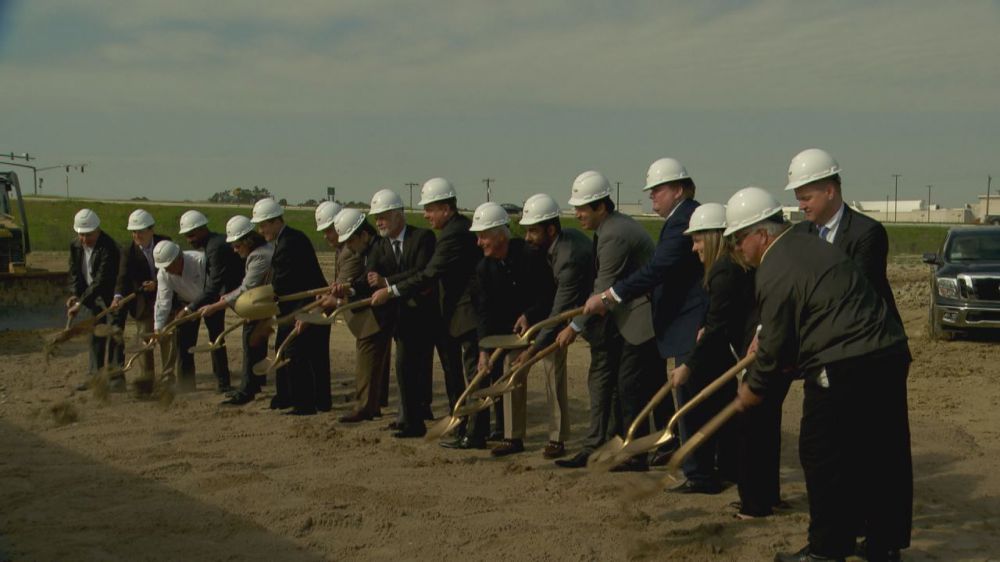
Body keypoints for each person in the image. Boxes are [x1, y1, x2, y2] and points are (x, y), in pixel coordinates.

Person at [726, 187, 912, 562]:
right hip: (886, 352)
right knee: (878, 453)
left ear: (762, 235)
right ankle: (882, 544)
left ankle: (827, 551)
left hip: (847, 361)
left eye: (738, 239)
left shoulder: (774, 268)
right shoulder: (808, 245)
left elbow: (776, 344)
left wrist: (754, 388)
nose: (737, 249)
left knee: (822, 454)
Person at [584, 158, 708, 472]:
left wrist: (610, 295)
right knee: (677, 393)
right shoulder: (680, 218)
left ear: (678, 190)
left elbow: (658, 268)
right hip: (677, 320)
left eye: (657, 190)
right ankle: (682, 456)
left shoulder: (683, 220)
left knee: (688, 397)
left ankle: (695, 468)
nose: (652, 197)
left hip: (688, 319)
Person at [555, 170, 657, 471]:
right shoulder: (609, 227)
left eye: (582, 209)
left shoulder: (614, 234)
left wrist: (573, 328)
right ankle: (616, 444)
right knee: (620, 384)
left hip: (641, 319)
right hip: (625, 317)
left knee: (629, 387)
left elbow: (602, 291)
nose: (577, 215)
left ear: (601, 206)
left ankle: (632, 453)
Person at [371, 178, 484, 449]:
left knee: (469, 377)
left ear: (446, 208)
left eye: (430, 209)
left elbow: (430, 273)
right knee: (459, 374)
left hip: (465, 314)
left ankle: (473, 432)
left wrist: (391, 290)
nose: (425, 214)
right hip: (456, 314)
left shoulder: (452, 234)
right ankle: (466, 427)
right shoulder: (453, 230)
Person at [667, 203, 751, 498]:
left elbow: (716, 329)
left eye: (698, 240)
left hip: (739, 347)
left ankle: (701, 474)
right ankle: (727, 468)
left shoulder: (724, 271)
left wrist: (688, 364)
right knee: (721, 400)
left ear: (715, 236)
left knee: (693, 391)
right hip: (732, 348)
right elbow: (714, 316)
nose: (693, 248)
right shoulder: (726, 267)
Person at [469, 202, 554, 457]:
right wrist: (484, 349)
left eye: (483, 236)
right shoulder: (484, 269)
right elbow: (483, 312)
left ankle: (557, 438)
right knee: (508, 369)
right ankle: (512, 437)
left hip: (545, 325)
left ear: (499, 235)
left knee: (553, 371)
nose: (479, 242)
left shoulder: (530, 255)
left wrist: (530, 315)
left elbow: (549, 294)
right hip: (513, 334)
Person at [513, 193, 593, 459]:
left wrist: (533, 350)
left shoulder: (568, 256)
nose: (527, 238)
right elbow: (549, 293)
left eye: (533, 231)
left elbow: (560, 311)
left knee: (554, 368)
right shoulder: (547, 247)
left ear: (551, 229)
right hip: (561, 309)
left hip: (589, 315)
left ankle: (558, 438)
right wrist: (530, 314)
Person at [356, 189, 438, 438]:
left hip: (426, 315)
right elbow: (369, 278)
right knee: (404, 368)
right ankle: (410, 418)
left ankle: (418, 414)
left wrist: (387, 282)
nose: (378, 222)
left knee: (420, 366)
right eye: (377, 217)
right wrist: (347, 288)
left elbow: (421, 272)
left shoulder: (422, 238)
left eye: (383, 216)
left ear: (398, 215)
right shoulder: (380, 246)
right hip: (400, 318)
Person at [786, 148, 899, 321]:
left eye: (806, 198)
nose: (801, 206)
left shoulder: (867, 233)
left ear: (830, 192)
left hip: (867, 335)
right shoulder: (799, 234)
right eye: (798, 199)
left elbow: (856, 295)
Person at [251, 198, 330, 416]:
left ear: (276, 222)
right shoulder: (288, 238)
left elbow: (282, 283)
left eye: (264, 224)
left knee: (294, 352)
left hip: (303, 306)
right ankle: (294, 398)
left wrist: (260, 302)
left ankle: (304, 404)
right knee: (298, 352)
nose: (261, 230)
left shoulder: (289, 243)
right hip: (299, 305)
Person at [328, 208, 396, 423]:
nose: (348, 246)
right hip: (377, 312)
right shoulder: (370, 249)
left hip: (379, 314)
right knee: (375, 362)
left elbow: (368, 279)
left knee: (367, 360)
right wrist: (348, 289)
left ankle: (365, 406)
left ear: (363, 235)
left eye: (351, 241)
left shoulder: (376, 250)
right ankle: (373, 404)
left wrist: (349, 290)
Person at [200, 216, 273, 406]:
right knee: (255, 340)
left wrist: (216, 305)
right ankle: (256, 383)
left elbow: (247, 288)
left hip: (266, 303)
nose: (234, 250)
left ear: (248, 241)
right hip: (263, 302)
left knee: (250, 341)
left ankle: (247, 389)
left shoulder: (259, 256)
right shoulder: (259, 252)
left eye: (237, 245)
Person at [178, 210, 244, 392]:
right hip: (222, 294)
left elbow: (214, 285)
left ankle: (225, 383)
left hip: (235, 293)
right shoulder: (214, 243)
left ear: (201, 230)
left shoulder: (215, 247)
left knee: (218, 337)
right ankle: (223, 382)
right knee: (217, 337)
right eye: (186, 236)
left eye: (191, 235)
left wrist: (189, 308)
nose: (189, 240)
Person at [67, 208, 123, 390]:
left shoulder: (109, 247)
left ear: (98, 230)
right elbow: (75, 273)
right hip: (92, 297)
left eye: (88, 235)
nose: (84, 239)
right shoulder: (75, 246)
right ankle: (95, 377)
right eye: (81, 234)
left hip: (112, 295)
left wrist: (80, 303)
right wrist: (76, 295)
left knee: (115, 334)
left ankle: (115, 379)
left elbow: (102, 280)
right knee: (95, 335)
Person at [111, 209, 171, 382]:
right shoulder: (128, 251)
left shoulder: (165, 243)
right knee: (145, 340)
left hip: (165, 297)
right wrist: (117, 296)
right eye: (134, 231)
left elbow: (174, 270)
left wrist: (157, 284)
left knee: (166, 337)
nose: (137, 235)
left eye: (140, 231)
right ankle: (147, 379)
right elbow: (122, 277)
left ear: (151, 230)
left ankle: (167, 376)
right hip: (143, 303)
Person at [151, 240, 207, 391]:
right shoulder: (163, 273)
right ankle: (186, 384)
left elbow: (212, 287)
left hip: (211, 301)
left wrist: (194, 308)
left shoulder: (200, 261)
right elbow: (163, 302)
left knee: (216, 340)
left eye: (170, 266)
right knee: (184, 344)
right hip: (187, 304)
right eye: (165, 267)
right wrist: (158, 328)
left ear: (179, 258)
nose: (167, 270)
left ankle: (224, 383)